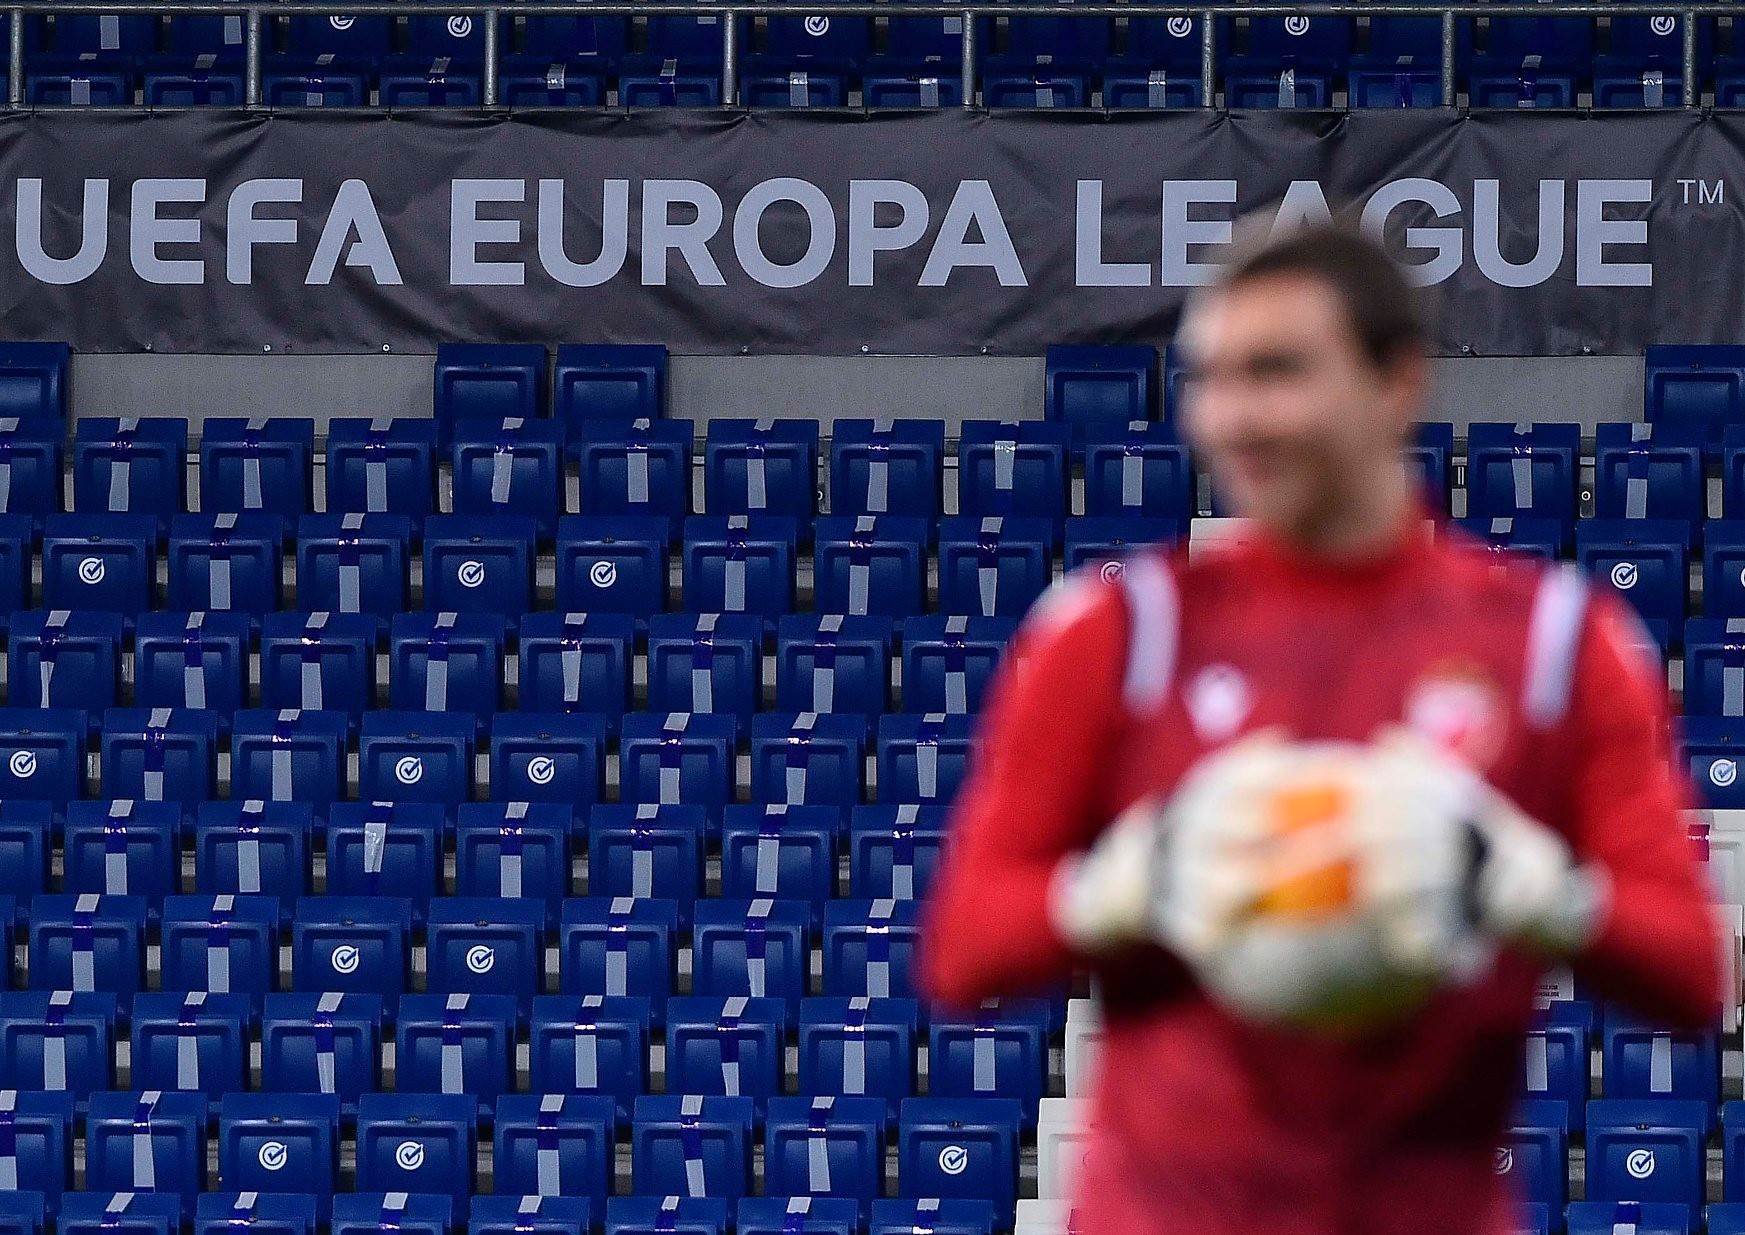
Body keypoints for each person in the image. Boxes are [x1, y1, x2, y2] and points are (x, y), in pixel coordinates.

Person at [915, 221, 1722, 1235]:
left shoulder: (1554, 642)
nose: (1232, 417)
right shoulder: (1117, 632)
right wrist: (1130, 880)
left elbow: (1691, 973)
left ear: (1396, 382)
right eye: (1210, 379)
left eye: (1276, 371)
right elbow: (961, 951)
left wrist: (1517, 884)